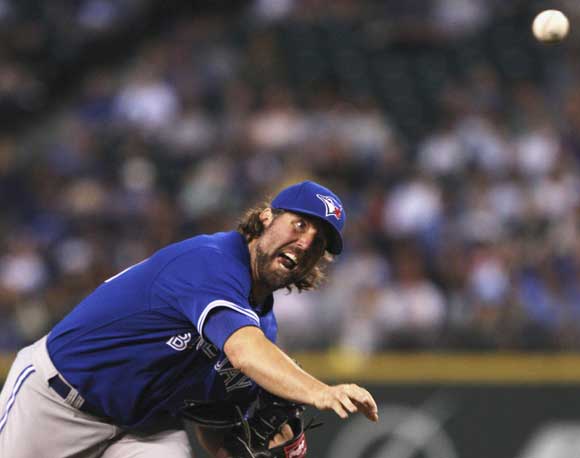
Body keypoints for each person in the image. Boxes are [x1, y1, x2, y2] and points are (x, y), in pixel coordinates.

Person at [0, 180, 378, 458]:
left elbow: (213, 421)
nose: (306, 242)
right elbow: (245, 352)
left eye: (319, 242)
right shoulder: (210, 261)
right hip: (56, 401)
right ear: (266, 218)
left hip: (144, 430)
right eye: (300, 224)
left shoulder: (263, 325)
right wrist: (321, 391)